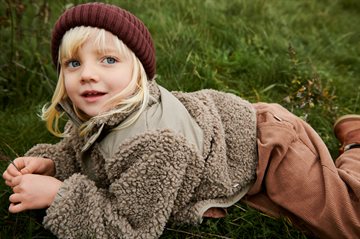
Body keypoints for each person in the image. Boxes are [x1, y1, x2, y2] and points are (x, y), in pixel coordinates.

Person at [2, 2, 360, 239]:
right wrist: (52, 164)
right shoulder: (101, 109)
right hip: (220, 127)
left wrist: (59, 196)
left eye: (108, 60)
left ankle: (356, 143)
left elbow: (131, 228)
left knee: (347, 221)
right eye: (73, 64)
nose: (87, 75)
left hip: (267, 144)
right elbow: (88, 152)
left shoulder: (157, 144)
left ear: (139, 74)